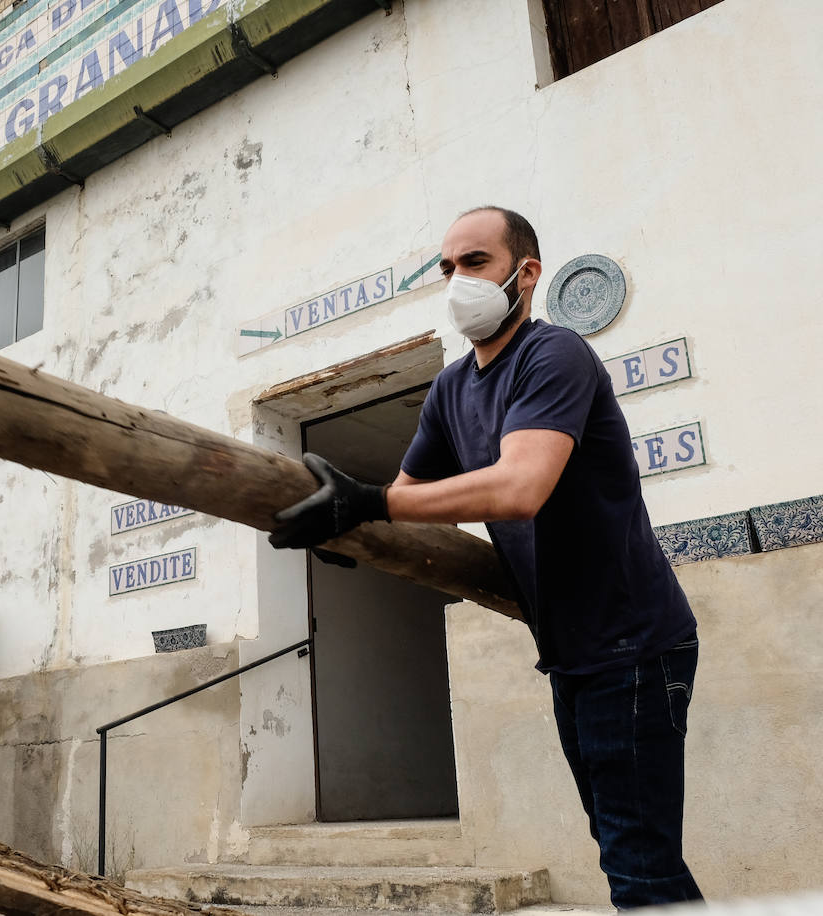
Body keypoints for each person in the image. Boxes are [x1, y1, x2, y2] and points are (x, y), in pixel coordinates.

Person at [268, 206, 703, 910]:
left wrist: (372, 505)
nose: (457, 282)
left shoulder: (554, 355)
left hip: (635, 646)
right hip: (573, 655)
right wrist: (350, 535)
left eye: (475, 263)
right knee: (629, 851)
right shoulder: (449, 390)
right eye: (447, 269)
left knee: (638, 863)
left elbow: (520, 486)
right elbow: (407, 502)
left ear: (525, 273)